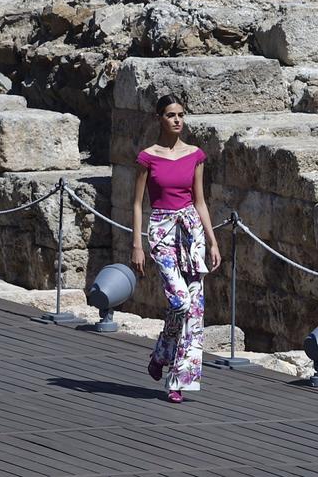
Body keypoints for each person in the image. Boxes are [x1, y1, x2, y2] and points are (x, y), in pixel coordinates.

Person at [131, 94, 220, 403]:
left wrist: (212, 240)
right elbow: (137, 203)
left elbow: (200, 201)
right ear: (160, 118)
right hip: (162, 230)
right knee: (179, 302)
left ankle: (176, 380)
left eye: (181, 114)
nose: (177, 120)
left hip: (191, 230)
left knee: (194, 310)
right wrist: (137, 244)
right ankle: (162, 352)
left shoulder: (195, 154)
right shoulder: (148, 157)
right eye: (171, 115)